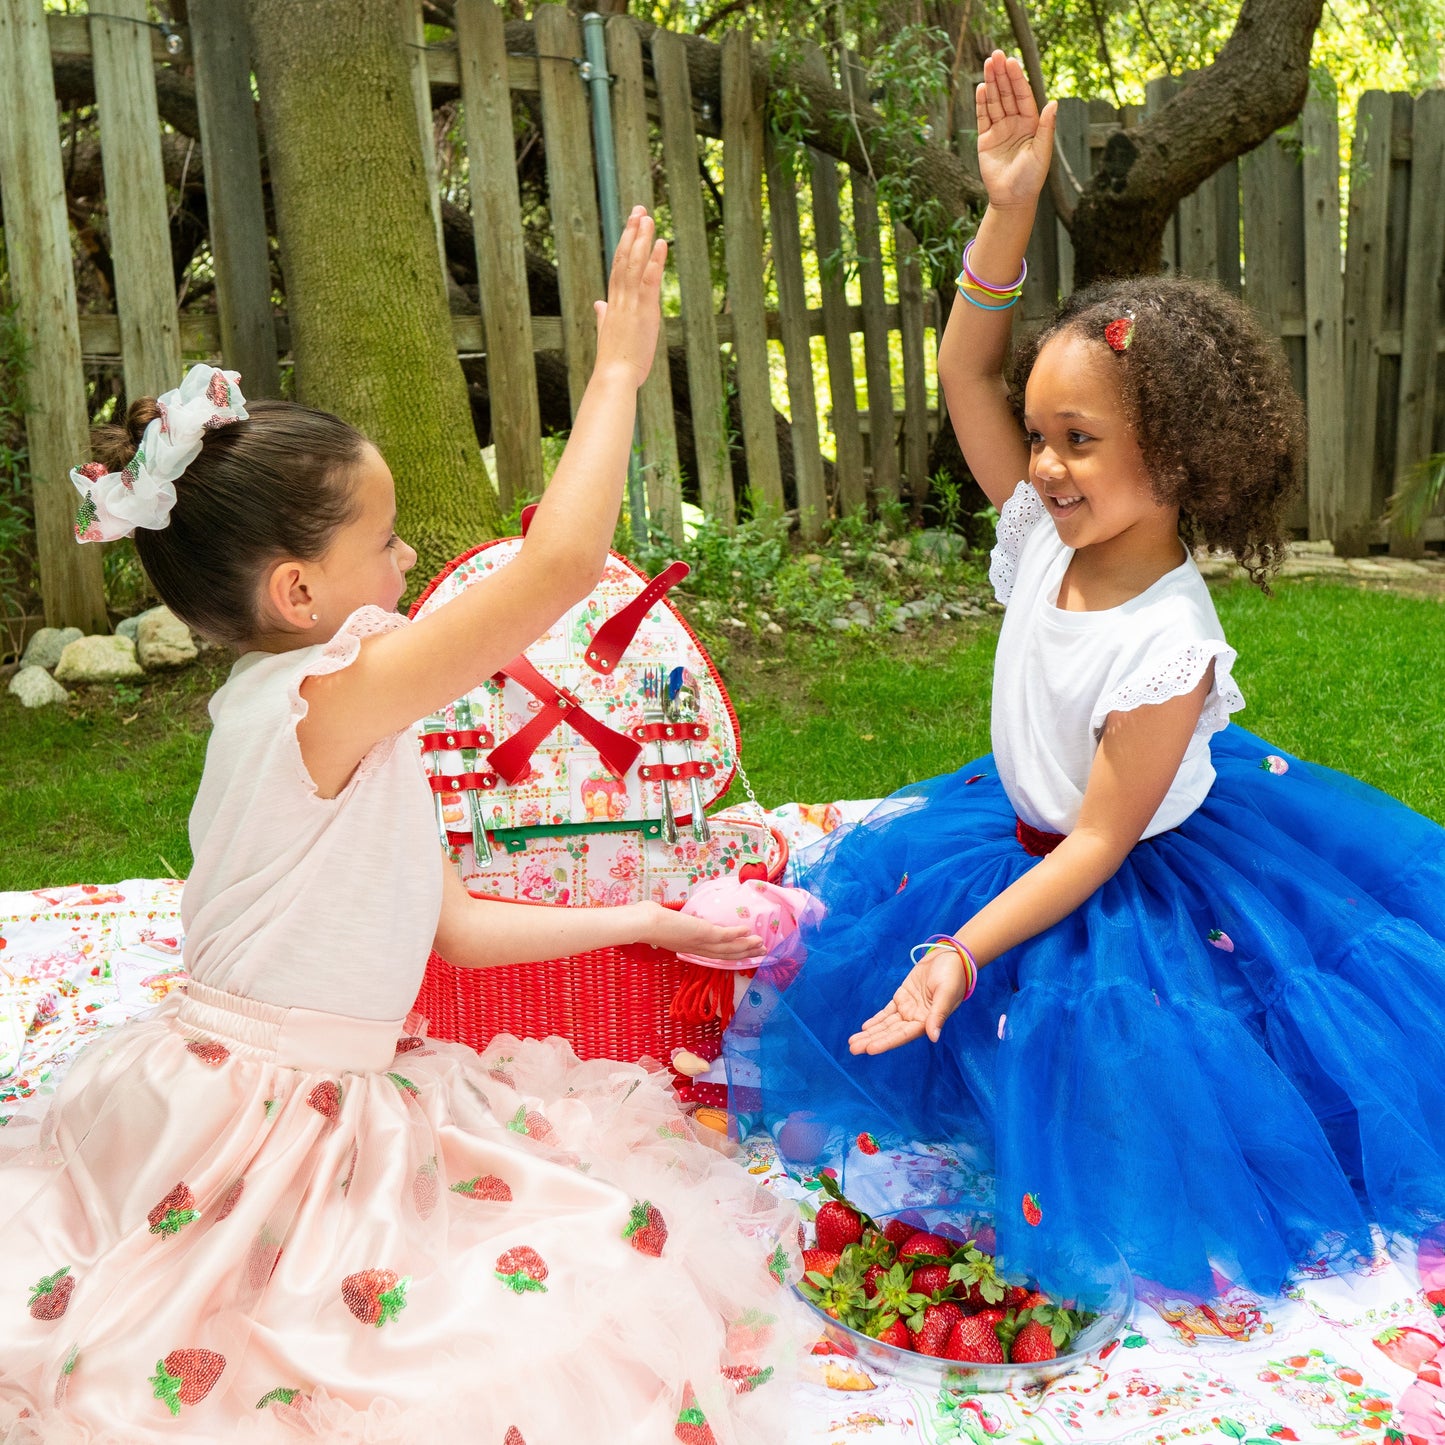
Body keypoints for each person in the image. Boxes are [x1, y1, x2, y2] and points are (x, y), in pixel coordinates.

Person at [0, 210, 803, 1444]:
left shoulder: (317, 708)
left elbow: (459, 931)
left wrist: (656, 916)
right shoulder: (330, 693)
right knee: (388, 1348)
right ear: (299, 591)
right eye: (383, 543)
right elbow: (558, 567)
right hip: (261, 1119)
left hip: (273, 1078)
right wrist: (617, 374)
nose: (410, 557)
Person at [726, 57, 1445, 1300]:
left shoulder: (1166, 641)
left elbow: (1094, 847)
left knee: (1132, 1068)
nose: (1046, 467)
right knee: (971, 1056)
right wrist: (1007, 209)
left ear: (1173, 456)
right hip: (1012, 831)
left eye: (1078, 442)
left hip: (1122, 872)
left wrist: (957, 948)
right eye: (1042, 435)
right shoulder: (1039, 535)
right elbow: (964, 373)